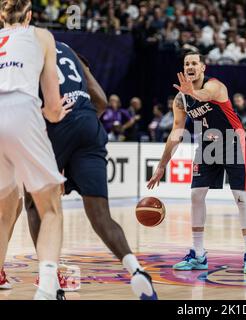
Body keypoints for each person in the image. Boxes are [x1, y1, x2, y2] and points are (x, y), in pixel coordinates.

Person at [22, 41, 157, 300]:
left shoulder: (23, 48)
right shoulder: (68, 50)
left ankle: (51, 286)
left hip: (55, 123)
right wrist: (78, 124)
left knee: (34, 204)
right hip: (89, 125)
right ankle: (137, 270)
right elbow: (102, 101)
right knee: (100, 215)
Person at [147, 52, 246, 274]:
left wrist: (193, 93)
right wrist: (161, 165)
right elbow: (176, 134)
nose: (190, 66)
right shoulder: (180, 100)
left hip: (232, 141)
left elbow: (206, 95)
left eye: (194, 63)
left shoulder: (215, 86)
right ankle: (198, 254)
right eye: (186, 63)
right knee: (196, 195)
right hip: (208, 144)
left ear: (202, 68)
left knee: (241, 197)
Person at [0, 0, 72, 300]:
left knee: (4, 211)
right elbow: (53, 106)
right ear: (29, 16)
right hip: (20, 106)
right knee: (51, 207)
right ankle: (46, 288)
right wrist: (55, 114)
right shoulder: (41, 36)